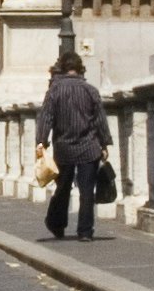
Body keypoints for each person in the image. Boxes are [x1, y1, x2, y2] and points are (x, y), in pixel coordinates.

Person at [37, 50, 109, 241]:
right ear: (80, 69)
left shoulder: (54, 91)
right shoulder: (91, 90)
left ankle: (56, 224)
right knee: (87, 191)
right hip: (89, 146)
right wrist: (104, 143)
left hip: (64, 147)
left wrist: (41, 141)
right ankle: (85, 231)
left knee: (63, 188)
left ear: (61, 68)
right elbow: (99, 120)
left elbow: (46, 117)